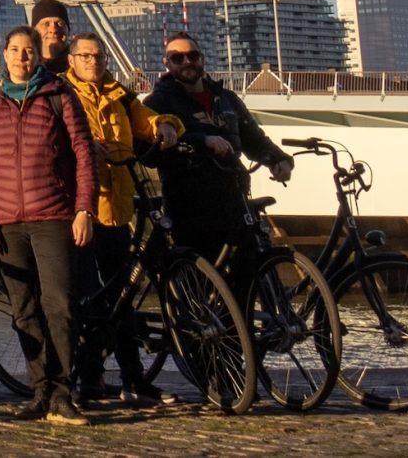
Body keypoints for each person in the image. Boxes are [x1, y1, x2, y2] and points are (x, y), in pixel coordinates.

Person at [0, 27, 98, 426]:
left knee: (59, 306)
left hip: (53, 216)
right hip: (5, 222)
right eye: (15, 50)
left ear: (38, 56)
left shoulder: (58, 95)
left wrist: (83, 209)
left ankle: (62, 393)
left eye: (29, 51)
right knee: (23, 311)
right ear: (3, 55)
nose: (22, 57)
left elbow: (83, 154)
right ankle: (40, 390)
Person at [64, 31, 180, 403]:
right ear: (72, 60)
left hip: (117, 206)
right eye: (85, 56)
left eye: (98, 56)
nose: (93, 62)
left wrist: (165, 125)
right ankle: (90, 379)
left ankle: (134, 379)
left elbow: (145, 118)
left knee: (122, 296)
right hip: (80, 208)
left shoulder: (119, 94)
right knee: (86, 297)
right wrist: (80, 147)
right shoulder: (61, 94)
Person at [145, 32, 291, 283]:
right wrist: (201, 141)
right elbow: (150, 151)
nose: (187, 62)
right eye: (177, 58)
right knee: (202, 279)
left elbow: (253, 138)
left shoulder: (226, 98)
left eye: (192, 56)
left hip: (233, 197)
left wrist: (279, 159)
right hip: (190, 204)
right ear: (167, 64)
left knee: (245, 276)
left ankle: (242, 322)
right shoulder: (158, 102)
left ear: (202, 59)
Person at [31, 0, 74, 78]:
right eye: (46, 24)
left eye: (59, 23)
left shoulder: (80, 66)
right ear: (34, 30)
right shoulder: (27, 67)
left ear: (68, 30)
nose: (53, 29)